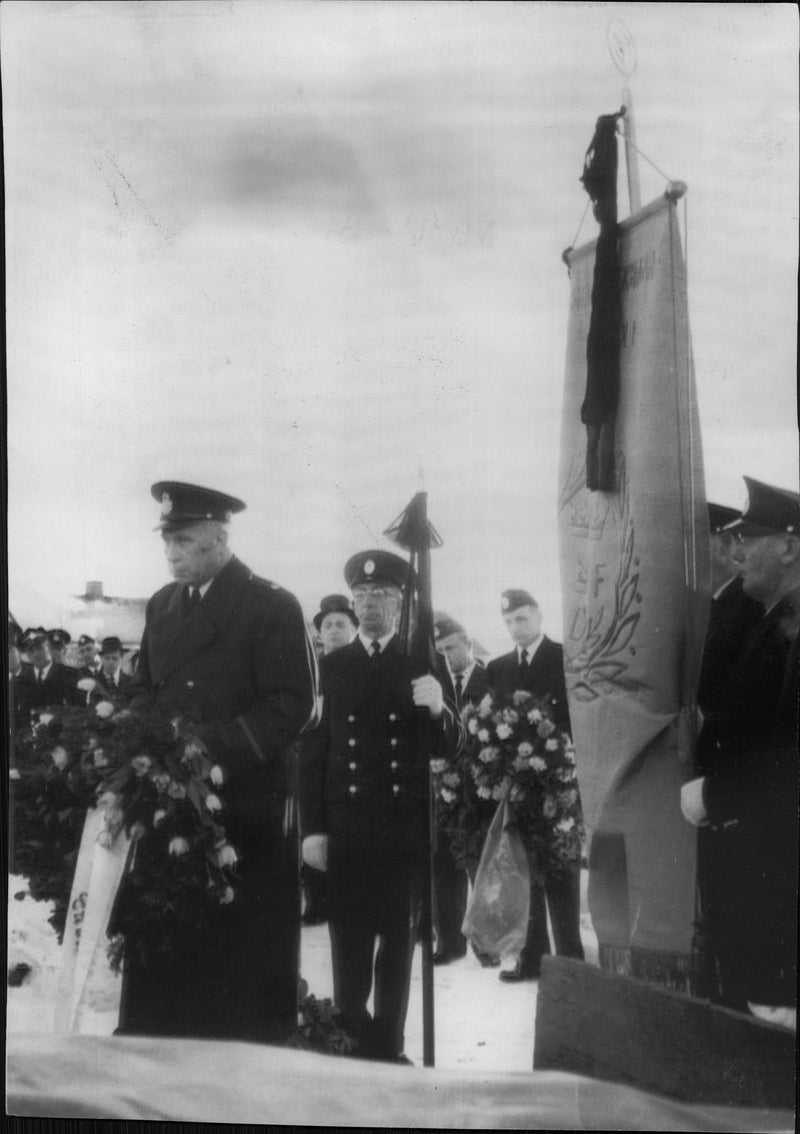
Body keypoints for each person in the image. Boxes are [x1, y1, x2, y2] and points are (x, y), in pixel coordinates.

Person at [115, 480, 319, 1043]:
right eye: (167, 542)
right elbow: (142, 686)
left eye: (182, 540)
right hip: (170, 804)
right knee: (166, 946)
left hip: (241, 810)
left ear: (220, 536)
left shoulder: (270, 605)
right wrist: (141, 735)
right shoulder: (161, 604)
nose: (171, 552)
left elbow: (293, 705)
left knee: (238, 958)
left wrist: (203, 749)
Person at [300, 550, 461, 1063]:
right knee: (348, 945)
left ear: (400, 604)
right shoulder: (329, 667)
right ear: (353, 602)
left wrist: (438, 708)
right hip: (346, 828)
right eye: (363, 596)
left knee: (397, 947)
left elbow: (451, 746)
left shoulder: (421, 665)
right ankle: (350, 1038)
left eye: (383, 596)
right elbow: (313, 754)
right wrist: (313, 829)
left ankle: (389, 1045)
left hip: (402, 832)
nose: (371, 605)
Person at [681, 477, 799, 1026]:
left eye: (752, 536)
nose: (740, 549)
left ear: (789, 546)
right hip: (751, 851)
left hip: (771, 866)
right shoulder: (776, 619)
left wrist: (714, 794)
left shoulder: (792, 627)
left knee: (770, 1019)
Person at [485, 589, 584, 981]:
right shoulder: (498, 667)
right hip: (518, 789)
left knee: (560, 869)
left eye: (521, 619)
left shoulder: (564, 658)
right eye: (508, 622)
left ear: (539, 616)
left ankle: (571, 962)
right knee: (523, 870)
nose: (515, 628)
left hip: (557, 783)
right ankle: (532, 956)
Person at [431, 614, 490, 965]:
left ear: (467, 645)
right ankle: (449, 943)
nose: (446, 655)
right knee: (444, 864)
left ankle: (486, 944)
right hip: (442, 788)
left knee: (480, 865)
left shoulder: (489, 678)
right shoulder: (434, 683)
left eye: (451, 647)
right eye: (439, 650)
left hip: (480, 790)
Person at [301, 594, 360, 926]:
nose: (335, 630)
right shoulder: (313, 670)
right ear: (319, 632)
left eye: (342, 624)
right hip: (316, 761)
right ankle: (316, 900)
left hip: (349, 764)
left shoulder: (364, 666)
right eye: (328, 625)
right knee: (313, 828)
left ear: (353, 628)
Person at [17, 627, 81, 711]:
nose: (35, 654)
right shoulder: (20, 680)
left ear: (49, 648)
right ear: (26, 654)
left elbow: (80, 709)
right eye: (31, 650)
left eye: (39, 648)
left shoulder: (71, 674)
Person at [94, 636, 134, 704]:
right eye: (107, 658)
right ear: (101, 658)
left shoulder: (130, 682)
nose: (111, 662)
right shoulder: (94, 681)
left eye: (115, 658)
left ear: (121, 658)